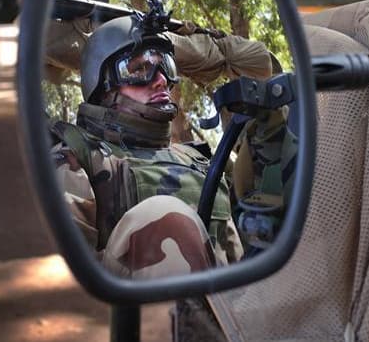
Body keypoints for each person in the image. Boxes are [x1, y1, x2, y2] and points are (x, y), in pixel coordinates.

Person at [50, 15, 244, 279]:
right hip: (134, 316)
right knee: (163, 215)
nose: (161, 79)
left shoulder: (199, 162)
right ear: (103, 86)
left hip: (221, 312)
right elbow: (64, 280)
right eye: (139, 70)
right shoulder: (76, 158)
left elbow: (238, 265)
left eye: (166, 67)